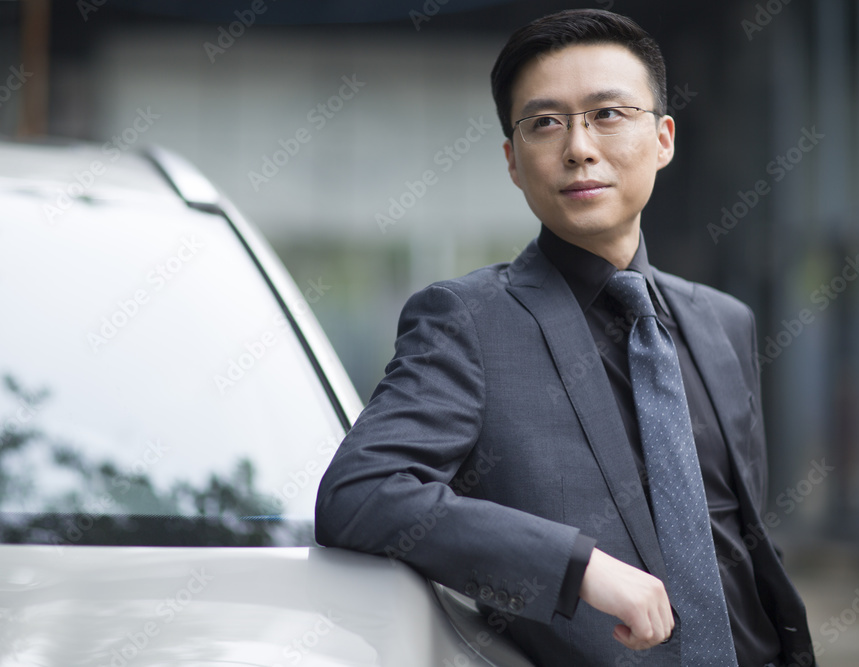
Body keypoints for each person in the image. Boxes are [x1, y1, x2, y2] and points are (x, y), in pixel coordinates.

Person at [315, 8, 815, 667]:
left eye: (608, 113)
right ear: (513, 162)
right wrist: (578, 567)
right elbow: (361, 493)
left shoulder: (724, 322)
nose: (579, 145)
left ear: (663, 138)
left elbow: (736, 536)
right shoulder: (466, 320)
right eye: (545, 123)